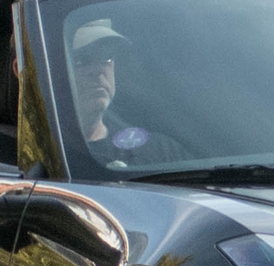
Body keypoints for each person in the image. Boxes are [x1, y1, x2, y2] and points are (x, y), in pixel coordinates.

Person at [68, 19, 186, 167]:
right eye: (81, 61)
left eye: (107, 58)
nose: (98, 70)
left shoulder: (161, 152)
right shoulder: (48, 161)